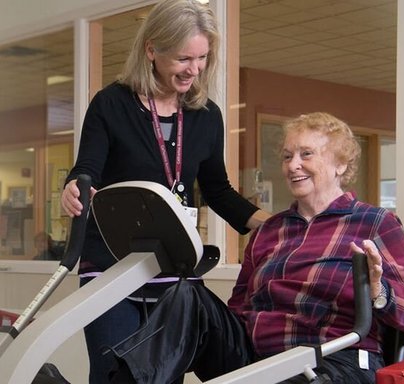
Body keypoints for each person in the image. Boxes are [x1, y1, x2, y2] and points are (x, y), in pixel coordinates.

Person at [108, 112, 404, 384]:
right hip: (257, 358)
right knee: (187, 295)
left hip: (332, 359)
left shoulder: (374, 224)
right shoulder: (269, 232)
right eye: (287, 156)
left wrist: (381, 292)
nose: (292, 165)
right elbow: (240, 309)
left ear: (340, 165)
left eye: (306, 155)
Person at [60, 1, 270, 382]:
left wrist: (270, 224)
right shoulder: (111, 104)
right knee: (114, 374)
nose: (194, 69)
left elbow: (218, 191)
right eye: (183, 58)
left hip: (172, 269)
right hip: (111, 267)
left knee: (163, 375)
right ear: (152, 50)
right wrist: (74, 187)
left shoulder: (206, 116)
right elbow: (85, 170)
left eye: (203, 57)